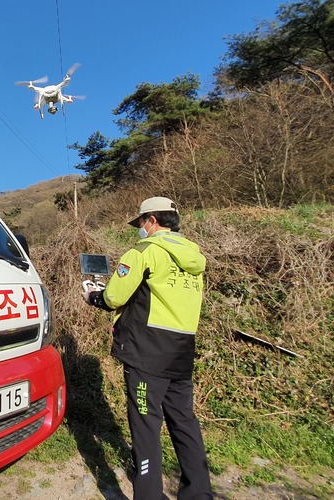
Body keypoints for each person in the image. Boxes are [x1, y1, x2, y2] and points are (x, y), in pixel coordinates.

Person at [83, 196, 213, 500]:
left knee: (145, 426)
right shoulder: (194, 256)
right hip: (181, 349)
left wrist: (94, 296)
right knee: (184, 422)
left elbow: (115, 297)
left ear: (152, 220)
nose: (139, 229)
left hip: (146, 350)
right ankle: (199, 493)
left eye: (140, 223)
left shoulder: (143, 251)